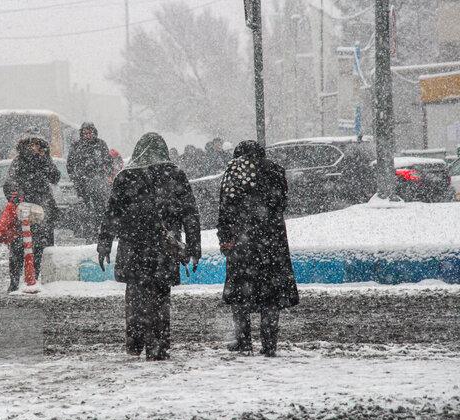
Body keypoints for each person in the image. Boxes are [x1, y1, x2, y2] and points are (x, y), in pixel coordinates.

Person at [97, 132, 201, 361]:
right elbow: (190, 214)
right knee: (161, 297)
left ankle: (135, 342)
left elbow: (111, 215)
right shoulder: (175, 174)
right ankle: (158, 345)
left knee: (134, 295)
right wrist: (194, 247)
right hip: (164, 248)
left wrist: (104, 244)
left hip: (133, 246)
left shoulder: (125, 177)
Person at [217, 140, 299, 357]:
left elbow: (226, 208)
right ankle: (269, 343)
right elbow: (281, 204)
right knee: (270, 294)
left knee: (240, 292)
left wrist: (225, 237)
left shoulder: (234, 170)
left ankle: (243, 341)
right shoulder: (275, 171)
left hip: (243, 241)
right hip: (272, 241)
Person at [3, 131, 61, 293]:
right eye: (31, 144)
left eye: (36, 144)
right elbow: (9, 183)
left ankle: (34, 278)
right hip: (24, 209)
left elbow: (55, 177)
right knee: (17, 246)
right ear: (25, 145)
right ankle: (14, 281)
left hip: (43, 209)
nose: (34, 148)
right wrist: (17, 199)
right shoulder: (19, 161)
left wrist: (45, 160)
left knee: (41, 246)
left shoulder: (44, 160)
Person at [67, 122, 113, 239]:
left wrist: (106, 174)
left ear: (94, 132)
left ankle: (99, 231)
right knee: (84, 210)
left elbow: (108, 162)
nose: (88, 135)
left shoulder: (101, 144)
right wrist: (76, 178)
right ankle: (86, 233)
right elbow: (70, 165)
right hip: (82, 184)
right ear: (81, 133)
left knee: (100, 208)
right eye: (85, 133)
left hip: (98, 182)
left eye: (90, 132)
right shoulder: (76, 146)